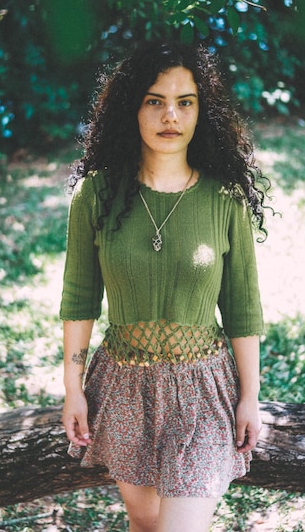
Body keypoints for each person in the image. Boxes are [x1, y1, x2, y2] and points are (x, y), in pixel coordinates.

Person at [60, 40, 268, 532]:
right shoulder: (97, 195)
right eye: (154, 100)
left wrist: (250, 395)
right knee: (145, 521)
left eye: (184, 102)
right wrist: (73, 387)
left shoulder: (225, 199)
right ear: (132, 109)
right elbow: (79, 300)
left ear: (201, 112)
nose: (169, 115)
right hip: (124, 388)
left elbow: (243, 308)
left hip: (202, 392)